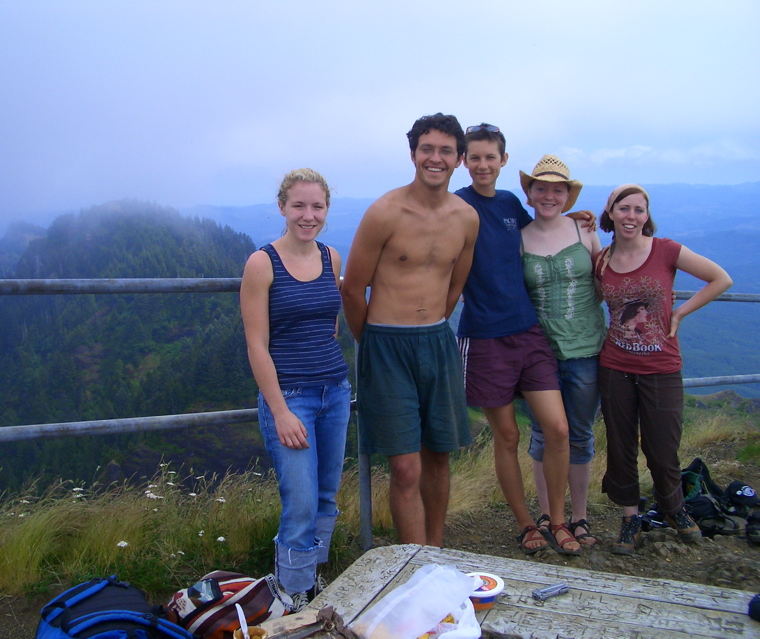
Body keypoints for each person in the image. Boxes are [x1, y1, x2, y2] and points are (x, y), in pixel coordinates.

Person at [341, 113, 479, 547]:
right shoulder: (385, 212)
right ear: (413, 153)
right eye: (426, 149)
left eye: (445, 151)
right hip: (385, 343)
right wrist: (373, 342)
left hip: (437, 341)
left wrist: (432, 326)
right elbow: (352, 288)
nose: (434, 159)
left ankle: (435, 554)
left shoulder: (466, 218)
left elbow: (456, 284)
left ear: (458, 159)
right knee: (404, 466)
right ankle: (413, 565)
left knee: (439, 455)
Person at [455, 125, 583, 556]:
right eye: (474, 157)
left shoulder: (511, 203)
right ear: (463, 160)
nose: (483, 165)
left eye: (490, 157)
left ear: (504, 160)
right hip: (484, 337)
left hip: (528, 332)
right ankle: (527, 523)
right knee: (507, 436)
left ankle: (559, 520)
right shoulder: (458, 205)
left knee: (559, 428)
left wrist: (575, 221)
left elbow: (543, 234)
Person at [595, 183, 732, 555]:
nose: (632, 216)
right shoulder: (602, 260)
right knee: (621, 446)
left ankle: (673, 508)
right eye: (624, 209)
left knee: (662, 446)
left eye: (639, 210)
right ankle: (630, 518)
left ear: (647, 215)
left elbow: (721, 278)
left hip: (662, 366)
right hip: (615, 366)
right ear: (612, 213)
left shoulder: (666, 250)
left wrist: (680, 312)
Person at [240, 168, 352, 609]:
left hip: (335, 391)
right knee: (301, 500)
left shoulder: (331, 257)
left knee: (326, 493)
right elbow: (255, 343)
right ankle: (292, 591)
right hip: (291, 398)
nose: (309, 215)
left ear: (327, 210)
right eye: (299, 206)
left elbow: (331, 325)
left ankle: (311, 579)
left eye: (317, 206)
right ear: (282, 207)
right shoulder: (261, 263)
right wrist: (280, 410)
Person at [519, 155, 607, 547]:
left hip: (587, 347)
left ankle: (579, 516)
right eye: (542, 188)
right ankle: (547, 512)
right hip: (539, 351)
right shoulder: (519, 237)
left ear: (568, 195)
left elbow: (606, 283)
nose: (549, 196)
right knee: (543, 432)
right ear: (530, 192)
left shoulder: (585, 231)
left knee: (580, 434)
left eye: (558, 189)